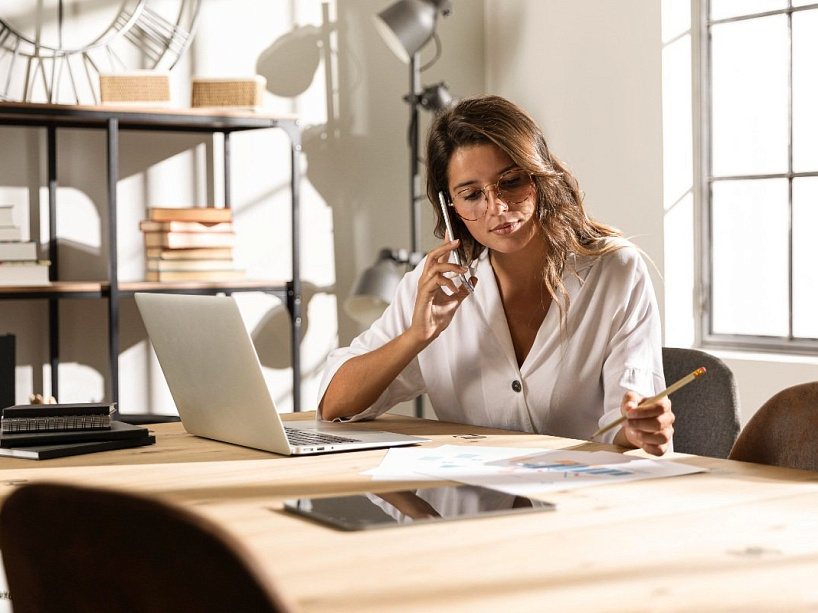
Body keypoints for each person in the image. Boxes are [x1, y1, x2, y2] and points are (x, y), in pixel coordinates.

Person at [319, 95, 674, 456]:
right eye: (472, 194)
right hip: (468, 504)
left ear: (538, 175)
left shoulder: (615, 272)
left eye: (511, 181)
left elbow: (628, 421)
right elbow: (334, 407)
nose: (497, 207)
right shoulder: (435, 286)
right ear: (451, 207)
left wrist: (640, 428)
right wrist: (417, 336)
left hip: (581, 499)